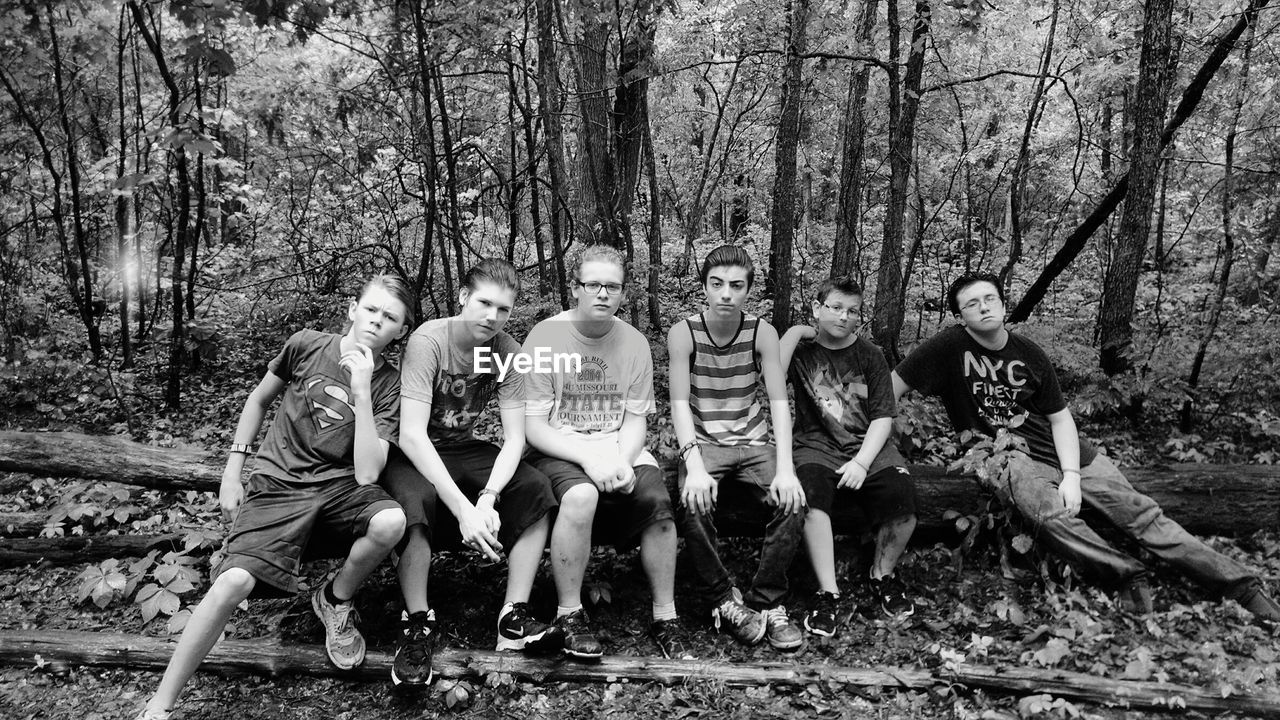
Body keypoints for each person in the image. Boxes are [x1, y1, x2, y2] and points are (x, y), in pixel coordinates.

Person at [892, 271, 1280, 621]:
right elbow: (891, 388)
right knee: (1049, 513)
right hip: (1005, 456)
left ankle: (1240, 585)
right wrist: (868, 444)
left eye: (989, 298)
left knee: (1142, 514)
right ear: (961, 317)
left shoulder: (1029, 353)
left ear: (1003, 303)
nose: (983, 307)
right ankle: (1126, 574)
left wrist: (1073, 475)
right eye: (972, 304)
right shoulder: (947, 347)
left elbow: (1060, 418)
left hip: (1072, 452)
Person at [135, 275, 413, 720]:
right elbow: (258, 400)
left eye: (391, 318)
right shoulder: (305, 345)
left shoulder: (391, 385)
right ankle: (160, 705)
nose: (378, 321)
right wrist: (233, 470)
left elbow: (366, 471)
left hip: (340, 486)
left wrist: (362, 391)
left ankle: (335, 600)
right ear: (352, 309)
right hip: (278, 484)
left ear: (401, 331)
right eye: (372, 309)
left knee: (390, 522)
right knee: (233, 582)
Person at [380, 259, 562, 686]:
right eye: (483, 303)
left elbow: (515, 439)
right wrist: (463, 509)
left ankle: (512, 616)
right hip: (414, 450)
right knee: (415, 502)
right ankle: (418, 622)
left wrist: (489, 496)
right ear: (463, 296)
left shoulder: (507, 353)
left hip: (463, 447)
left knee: (535, 487)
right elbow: (410, 435)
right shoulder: (430, 341)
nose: (491, 317)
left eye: (503, 310)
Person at [522, 244, 690, 660]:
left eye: (611, 286)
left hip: (616, 444)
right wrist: (589, 459)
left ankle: (665, 617)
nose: (602, 293)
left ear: (622, 293)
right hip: (560, 446)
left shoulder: (634, 343)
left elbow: (636, 419)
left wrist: (619, 458)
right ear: (576, 288)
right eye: (592, 284)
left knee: (658, 505)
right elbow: (533, 426)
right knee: (581, 497)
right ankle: (569, 614)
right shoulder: (543, 338)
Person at [668, 245, 806, 651]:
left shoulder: (762, 332)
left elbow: (779, 402)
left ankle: (769, 600)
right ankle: (723, 599)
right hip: (704, 443)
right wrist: (693, 465)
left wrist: (785, 466)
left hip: (754, 440)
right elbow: (679, 406)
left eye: (736, 286)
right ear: (705, 288)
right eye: (717, 284)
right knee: (692, 504)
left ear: (748, 290)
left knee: (793, 500)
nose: (726, 293)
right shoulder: (684, 333)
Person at [779, 277, 918, 639]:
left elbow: (883, 417)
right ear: (817, 308)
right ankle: (829, 592)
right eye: (835, 307)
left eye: (852, 311)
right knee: (811, 498)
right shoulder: (802, 352)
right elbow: (771, 376)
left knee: (903, 498)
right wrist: (795, 331)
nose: (843, 316)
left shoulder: (871, 355)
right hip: (815, 444)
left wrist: (861, 462)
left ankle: (883, 575)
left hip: (868, 446)